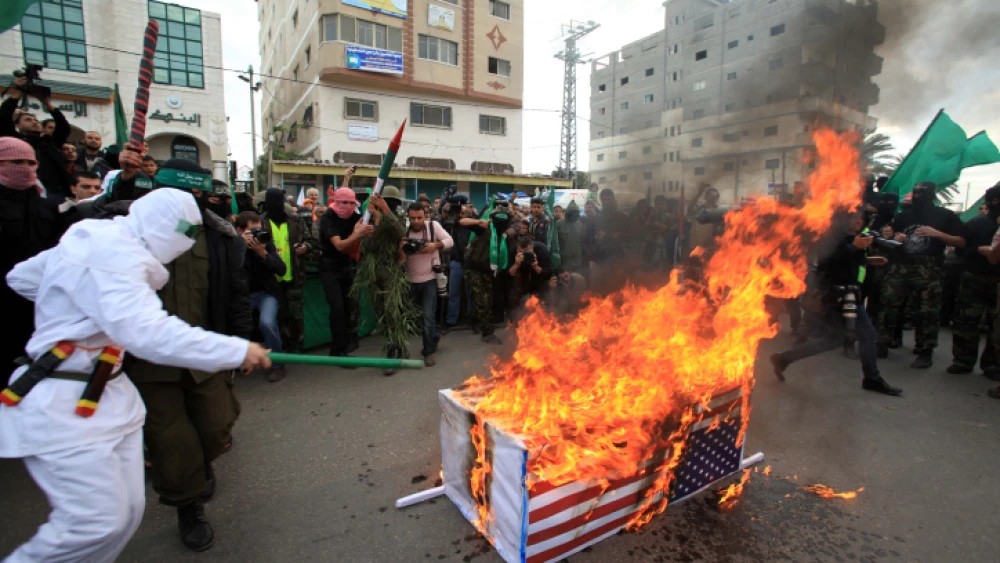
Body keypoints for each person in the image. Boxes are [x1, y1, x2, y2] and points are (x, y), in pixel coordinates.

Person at [0, 189, 270, 563]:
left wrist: (82, 309)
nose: (189, 243)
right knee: (95, 522)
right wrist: (238, 350)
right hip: (68, 392)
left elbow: (24, 279)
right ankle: (187, 502)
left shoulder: (107, 248)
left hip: (112, 388)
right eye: (186, 235)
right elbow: (147, 332)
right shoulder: (108, 252)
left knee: (124, 514)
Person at [126, 160, 253, 552]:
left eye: (200, 195)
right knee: (170, 440)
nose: (194, 204)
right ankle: (188, 505)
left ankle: (202, 464)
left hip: (204, 352)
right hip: (150, 362)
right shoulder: (125, 229)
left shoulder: (220, 237)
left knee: (217, 425)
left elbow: (235, 292)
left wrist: (241, 342)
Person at [770, 211, 902, 396]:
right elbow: (826, 263)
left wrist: (869, 260)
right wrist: (853, 248)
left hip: (849, 293)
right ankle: (872, 378)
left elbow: (847, 264)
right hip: (837, 295)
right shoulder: (831, 237)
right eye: (854, 218)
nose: (858, 222)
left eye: (861, 219)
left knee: (834, 340)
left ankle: (783, 359)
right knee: (868, 335)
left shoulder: (853, 238)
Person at [876, 182, 966, 368]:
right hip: (901, 264)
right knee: (889, 304)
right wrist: (893, 236)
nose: (918, 196)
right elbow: (891, 237)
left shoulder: (945, 215)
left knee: (927, 310)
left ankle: (925, 350)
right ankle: (882, 342)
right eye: (915, 192)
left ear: (932, 195)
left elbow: (961, 242)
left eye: (922, 193)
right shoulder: (903, 215)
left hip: (929, 266)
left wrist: (938, 234)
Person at [0, 138, 67, 381]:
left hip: (37, 301)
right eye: (16, 162)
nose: (25, 168)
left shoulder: (46, 206)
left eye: (31, 163)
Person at [354, 188, 421, 375]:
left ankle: (394, 351)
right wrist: (375, 221)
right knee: (381, 312)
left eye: (391, 203)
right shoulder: (367, 219)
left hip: (392, 270)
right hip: (375, 272)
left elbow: (401, 233)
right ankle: (396, 345)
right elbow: (368, 246)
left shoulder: (397, 219)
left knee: (392, 311)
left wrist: (386, 211)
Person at [948, 184, 1000, 375]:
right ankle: (963, 360)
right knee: (966, 321)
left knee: (997, 327)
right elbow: (961, 250)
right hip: (974, 277)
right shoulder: (976, 223)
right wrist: (978, 251)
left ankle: (993, 364)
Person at [259, 187, 316, 355]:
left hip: (294, 276)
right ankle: (278, 351)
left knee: (296, 316)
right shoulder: (260, 222)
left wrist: (306, 247)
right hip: (270, 279)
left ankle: (297, 350)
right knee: (276, 317)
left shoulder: (295, 221)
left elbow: (312, 240)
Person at [319, 183, 371, 358]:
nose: (348, 207)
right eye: (344, 203)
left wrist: (366, 231)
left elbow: (355, 244)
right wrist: (357, 234)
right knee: (337, 308)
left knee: (349, 308)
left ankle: (347, 342)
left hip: (347, 266)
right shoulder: (328, 217)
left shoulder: (354, 216)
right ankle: (337, 350)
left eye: (351, 203)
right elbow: (340, 245)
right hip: (330, 268)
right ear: (336, 202)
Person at [236, 211, 288, 382]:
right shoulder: (233, 246)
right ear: (240, 230)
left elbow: (281, 269)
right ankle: (238, 361)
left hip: (266, 294)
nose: (258, 234)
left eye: (259, 230)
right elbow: (230, 271)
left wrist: (263, 253)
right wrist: (240, 247)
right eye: (253, 231)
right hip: (243, 296)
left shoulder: (266, 244)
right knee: (236, 325)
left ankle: (277, 363)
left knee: (267, 323)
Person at [0, 77, 71, 200]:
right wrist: (17, 92)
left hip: (57, 193)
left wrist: (46, 102)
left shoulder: (50, 142)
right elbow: (4, 118)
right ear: (17, 125)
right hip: (29, 192)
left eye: (36, 120)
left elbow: (63, 126)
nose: (34, 122)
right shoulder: (16, 142)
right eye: (28, 120)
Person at [401, 202, 453, 367]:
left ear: (426, 216)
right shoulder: (403, 230)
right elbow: (399, 260)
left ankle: (428, 351)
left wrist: (435, 245)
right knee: (414, 318)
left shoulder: (433, 226)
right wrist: (401, 247)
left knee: (428, 317)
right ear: (408, 217)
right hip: (409, 280)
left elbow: (449, 241)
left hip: (429, 279)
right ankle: (434, 336)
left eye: (420, 217)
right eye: (412, 218)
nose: (416, 221)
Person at [462, 205, 509, 345]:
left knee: (486, 301)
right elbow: (462, 221)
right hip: (473, 269)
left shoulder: (503, 236)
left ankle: (473, 320)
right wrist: (479, 221)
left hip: (487, 272)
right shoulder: (484, 230)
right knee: (482, 300)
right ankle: (487, 333)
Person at [509, 235, 553, 306]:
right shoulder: (514, 252)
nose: (525, 255)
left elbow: (548, 274)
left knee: (543, 307)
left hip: (540, 284)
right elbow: (511, 274)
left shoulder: (541, 249)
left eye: (527, 252)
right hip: (522, 284)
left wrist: (536, 267)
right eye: (521, 252)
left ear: (531, 247)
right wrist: (516, 264)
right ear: (517, 248)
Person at [556, 200, 583, 273]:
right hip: (564, 261)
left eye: (575, 213)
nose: (573, 215)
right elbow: (555, 244)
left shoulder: (580, 225)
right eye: (572, 212)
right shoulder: (559, 224)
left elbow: (582, 242)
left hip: (577, 261)